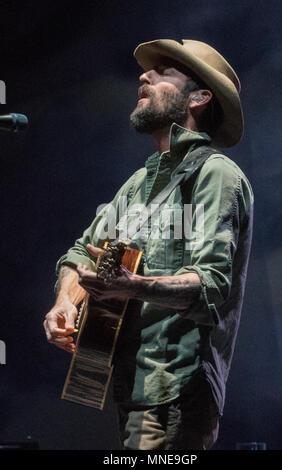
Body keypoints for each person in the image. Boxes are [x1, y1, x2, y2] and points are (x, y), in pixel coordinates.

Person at [43, 39, 254, 450]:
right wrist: (65, 303)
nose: (144, 76)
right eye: (146, 71)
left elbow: (211, 285)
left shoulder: (215, 174)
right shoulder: (137, 184)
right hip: (128, 384)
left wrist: (133, 286)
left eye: (163, 72)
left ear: (199, 97)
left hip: (177, 386)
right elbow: (79, 253)